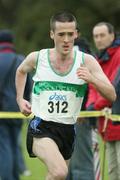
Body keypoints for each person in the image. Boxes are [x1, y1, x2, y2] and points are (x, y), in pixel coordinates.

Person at [15, 12, 116, 180]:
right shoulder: (38, 58)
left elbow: (112, 95)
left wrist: (92, 79)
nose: (66, 39)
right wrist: (20, 99)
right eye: (61, 34)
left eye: (70, 34)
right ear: (52, 34)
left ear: (76, 33)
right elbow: (20, 71)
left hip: (68, 130)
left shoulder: (87, 61)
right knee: (60, 172)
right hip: (41, 127)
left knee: (56, 176)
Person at [86, 22, 120, 180]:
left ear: (112, 36)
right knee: (112, 172)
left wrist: (95, 106)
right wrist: (90, 105)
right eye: (95, 36)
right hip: (107, 126)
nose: (98, 39)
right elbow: (93, 86)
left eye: (102, 35)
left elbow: (114, 87)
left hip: (116, 120)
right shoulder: (97, 59)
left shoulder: (118, 55)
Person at [0, 29, 32, 180]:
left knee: (4, 146)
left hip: (2, 112)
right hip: (19, 110)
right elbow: (29, 86)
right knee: (14, 145)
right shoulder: (21, 59)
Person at [67, 36, 95, 180]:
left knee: (79, 165)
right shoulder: (84, 54)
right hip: (73, 115)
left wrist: (83, 108)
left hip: (78, 116)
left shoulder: (76, 53)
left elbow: (82, 83)